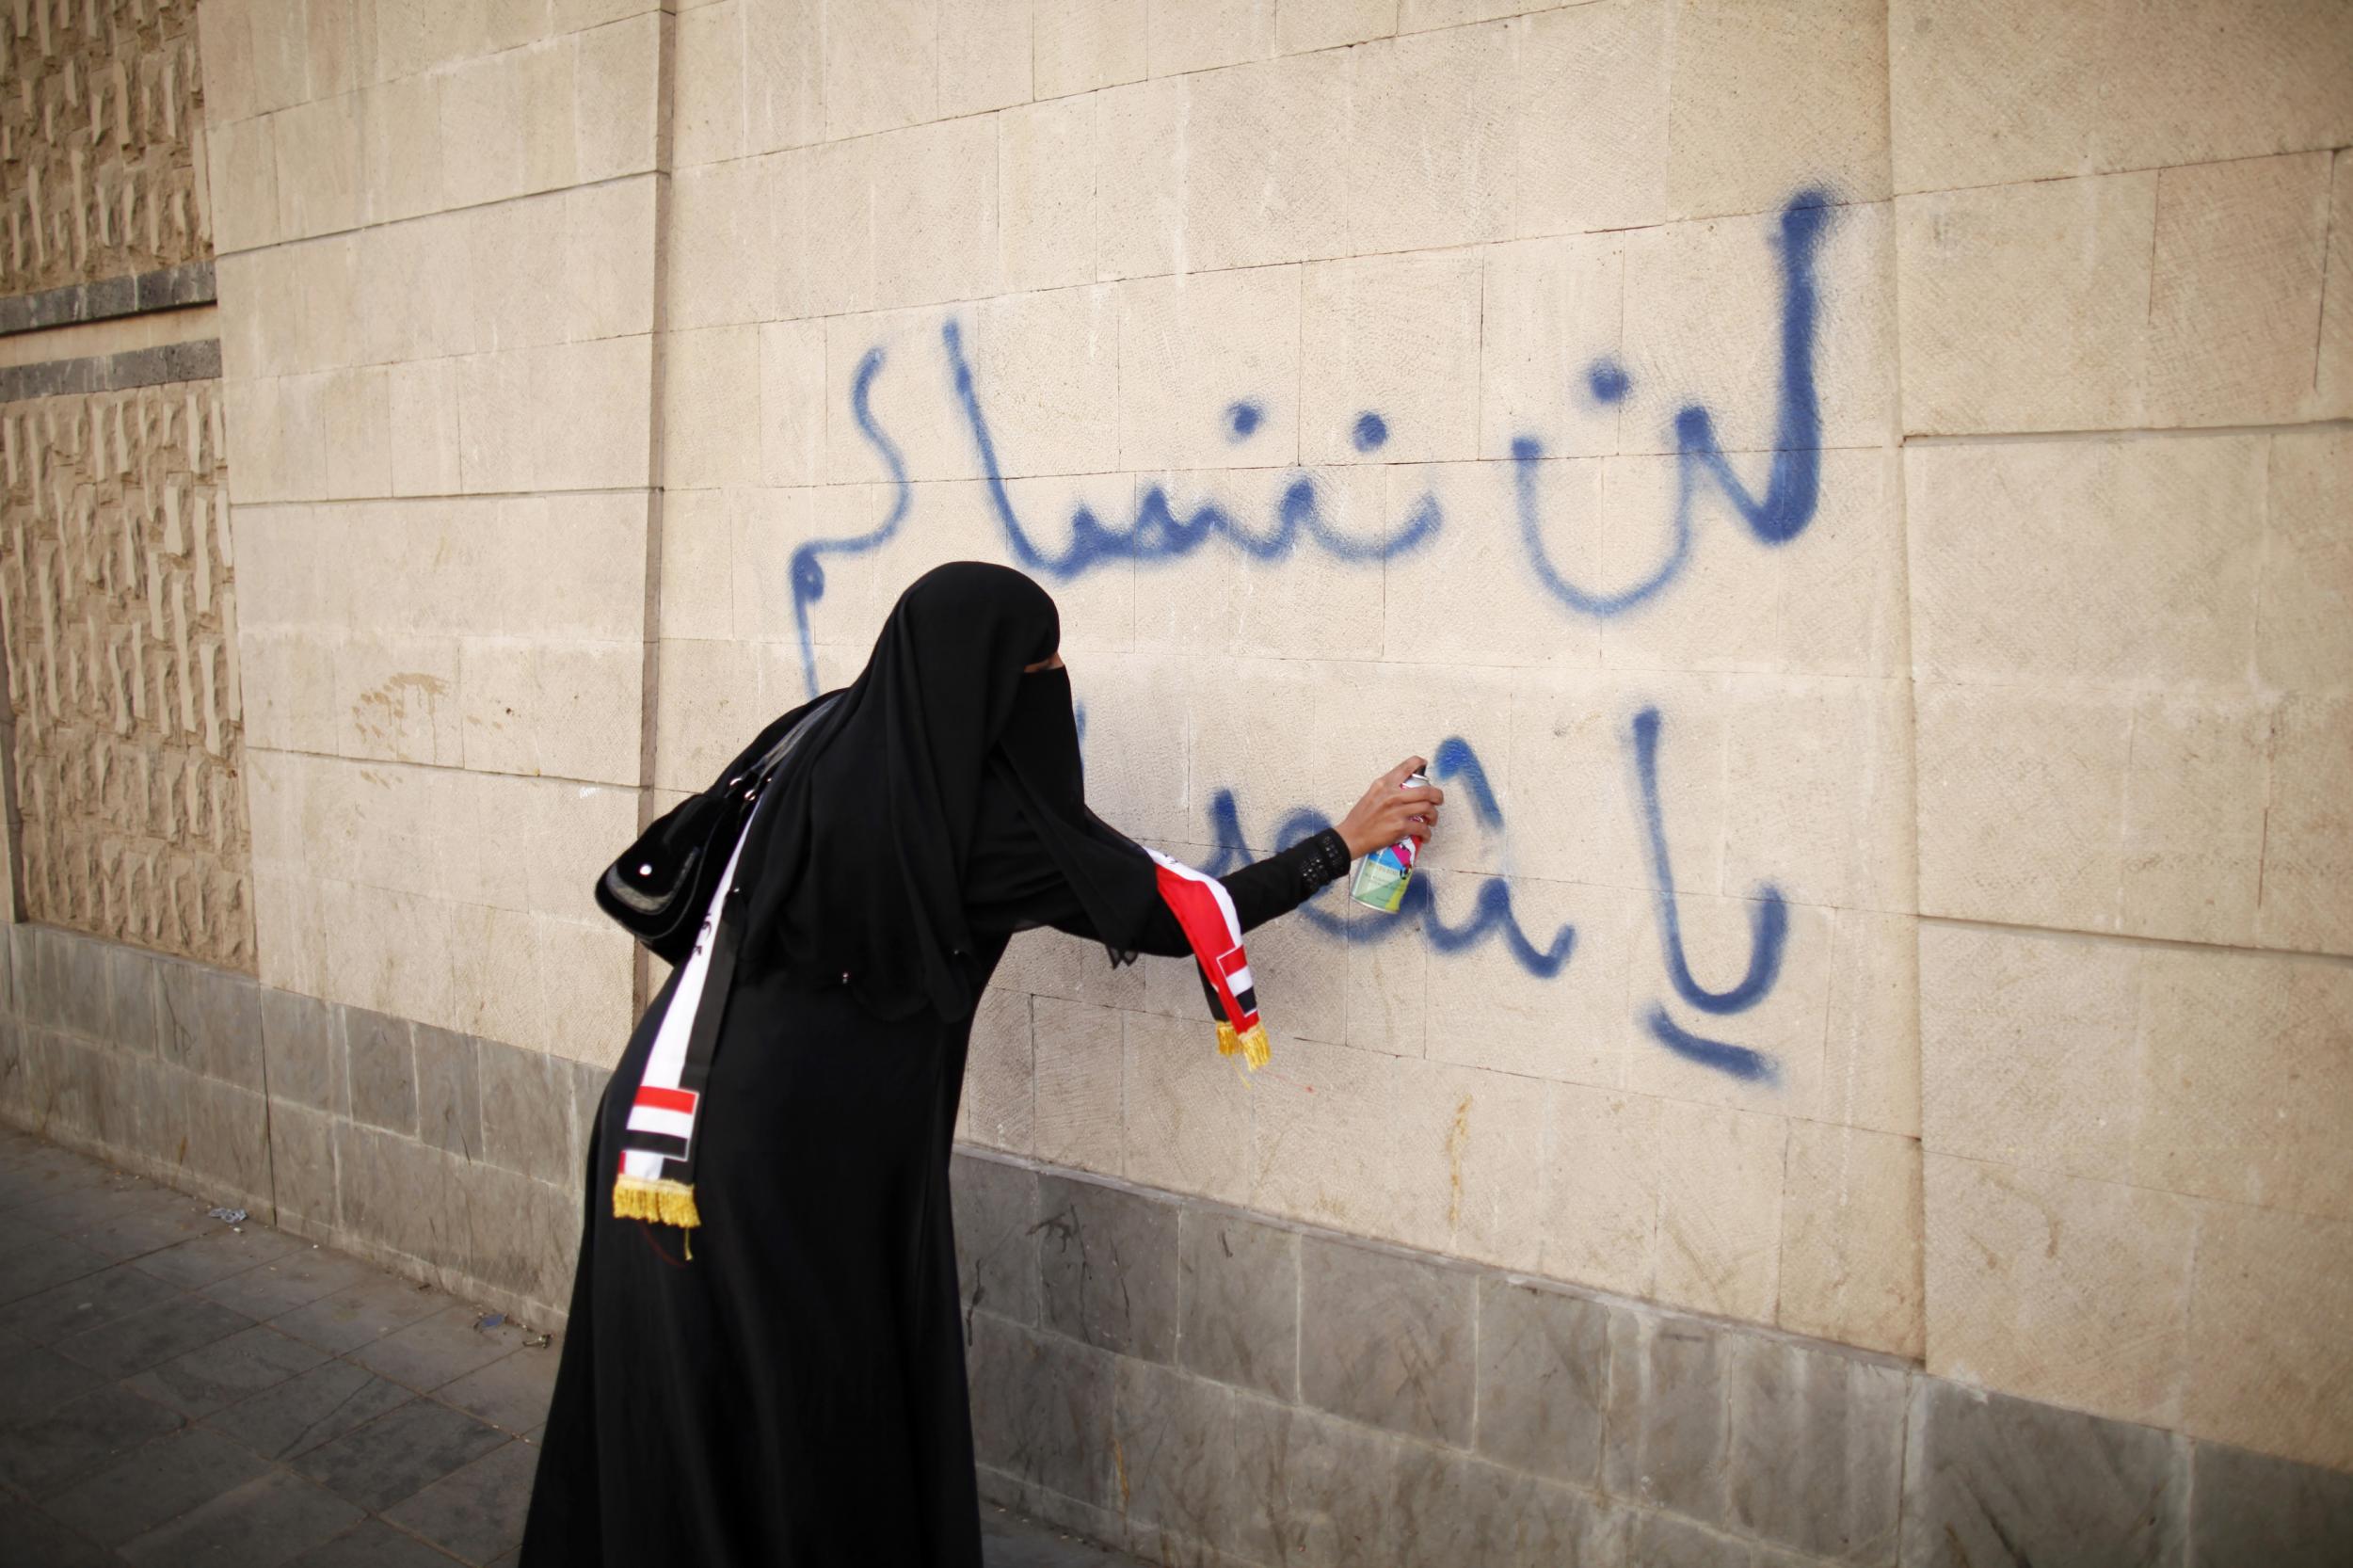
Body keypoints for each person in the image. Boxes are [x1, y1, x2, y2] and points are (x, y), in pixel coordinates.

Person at [520, 562, 1443, 1566]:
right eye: (1041, 664)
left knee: (690, 1388)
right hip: (784, 1156)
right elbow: (1174, 914)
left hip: (659, 1109)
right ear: (993, 682)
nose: (1055, 682)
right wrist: (1342, 843)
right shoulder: (972, 823)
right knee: (810, 1406)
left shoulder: (818, 735)